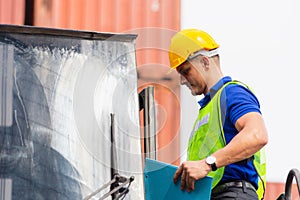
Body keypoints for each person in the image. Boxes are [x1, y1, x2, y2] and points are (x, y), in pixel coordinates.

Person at [168, 29, 268, 200]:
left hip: (233, 195)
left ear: (205, 62)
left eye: (185, 71)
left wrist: (208, 164)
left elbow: (257, 135)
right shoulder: (207, 109)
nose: (182, 80)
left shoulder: (232, 93)